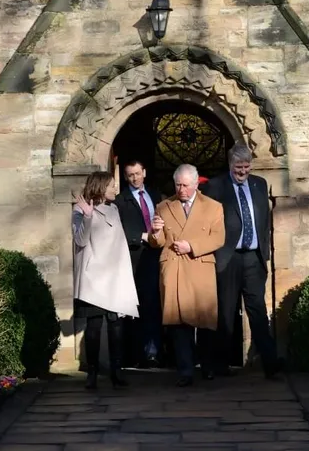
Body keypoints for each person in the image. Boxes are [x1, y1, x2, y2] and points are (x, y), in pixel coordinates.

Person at [204, 142, 283, 379]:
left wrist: (264, 256)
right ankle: (220, 365)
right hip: (228, 259)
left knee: (257, 310)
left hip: (253, 258)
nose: (243, 172)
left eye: (247, 167)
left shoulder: (259, 184)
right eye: (239, 168)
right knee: (226, 313)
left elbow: (264, 222)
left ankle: (270, 364)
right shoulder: (215, 187)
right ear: (230, 165)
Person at [148, 164, 225, 387]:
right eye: (178, 185)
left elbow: (218, 238)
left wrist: (191, 245)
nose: (181, 189)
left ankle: (208, 367)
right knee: (179, 323)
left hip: (199, 265)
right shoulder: (163, 206)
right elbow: (158, 242)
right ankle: (185, 370)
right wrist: (155, 231)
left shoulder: (213, 207)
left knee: (205, 321)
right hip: (175, 269)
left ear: (195, 184)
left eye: (185, 185)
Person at [72, 171, 139, 390]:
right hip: (94, 277)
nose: (115, 189)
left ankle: (116, 371)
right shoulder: (79, 209)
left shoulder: (114, 209)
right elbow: (80, 240)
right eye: (111, 185)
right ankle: (92, 373)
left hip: (114, 277)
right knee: (93, 326)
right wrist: (89, 216)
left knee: (116, 325)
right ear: (100, 186)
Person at [114, 160, 163, 368]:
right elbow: (116, 231)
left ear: (144, 172)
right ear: (126, 177)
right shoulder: (119, 201)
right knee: (136, 308)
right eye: (130, 175)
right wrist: (140, 236)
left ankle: (154, 351)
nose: (134, 178)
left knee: (155, 306)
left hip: (156, 257)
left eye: (137, 173)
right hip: (133, 260)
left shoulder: (156, 196)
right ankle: (135, 354)